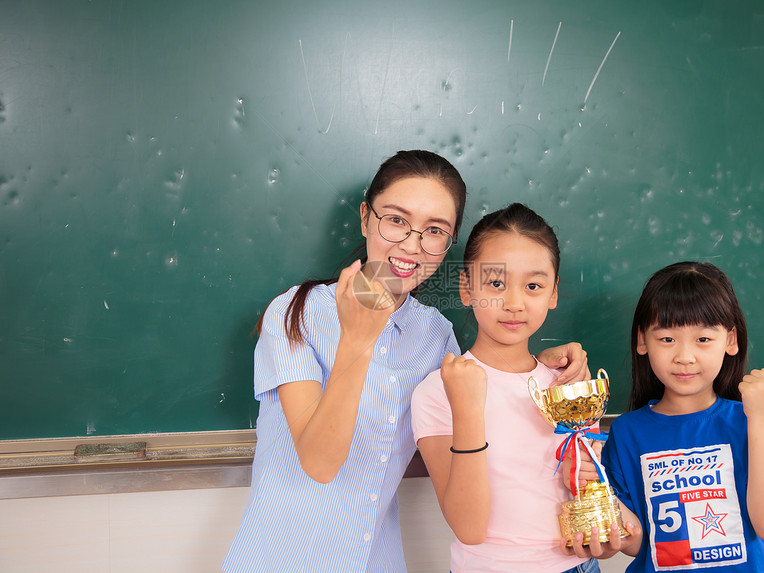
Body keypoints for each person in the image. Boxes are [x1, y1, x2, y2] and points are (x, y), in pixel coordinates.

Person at [222, 152, 591, 573]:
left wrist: (540, 367)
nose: (412, 245)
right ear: (366, 218)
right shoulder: (297, 312)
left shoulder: (436, 336)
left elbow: (484, 379)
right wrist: (357, 341)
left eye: (434, 230)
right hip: (278, 561)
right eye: (396, 220)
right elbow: (319, 463)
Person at [411, 203, 617, 573]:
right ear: (466, 288)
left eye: (533, 286)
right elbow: (469, 528)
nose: (514, 303)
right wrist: (470, 409)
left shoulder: (569, 386)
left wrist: (603, 522)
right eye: (495, 283)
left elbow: (585, 481)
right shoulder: (440, 392)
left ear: (553, 294)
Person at [576, 261, 764, 571]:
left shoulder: (751, 421)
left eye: (703, 339)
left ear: (731, 340)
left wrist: (762, 418)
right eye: (667, 339)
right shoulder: (627, 431)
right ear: (643, 340)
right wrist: (607, 533)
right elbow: (640, 542)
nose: (684, 357)